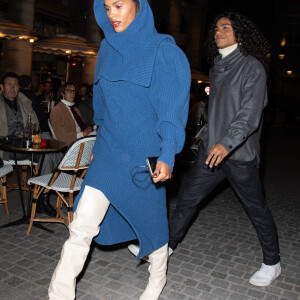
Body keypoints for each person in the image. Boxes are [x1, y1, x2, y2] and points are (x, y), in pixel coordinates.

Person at [48, 1, 190, 299]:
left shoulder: (162, 51)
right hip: (109, 151)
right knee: (81, 224)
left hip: (143, 157)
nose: (111, 14)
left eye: (118, 5)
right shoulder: (107, 49)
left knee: (151, 223)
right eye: (107, 7)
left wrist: (167, 154)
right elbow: (100, 106)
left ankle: (157, 279)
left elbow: (171, 111)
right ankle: (58, 294)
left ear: (139, 5)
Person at [167, 11, 281, 287]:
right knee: (187, 199)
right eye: (216, 28)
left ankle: (272, 262)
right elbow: (218, 112)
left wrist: (227, 141)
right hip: (212, 152)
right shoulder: (218, 65)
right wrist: (208, 139)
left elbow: (250, 113)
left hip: (239, 155)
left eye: (225, 27)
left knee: (256, 209)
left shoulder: (252, 67)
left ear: (239, 34)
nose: (217, 32)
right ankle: (165, 246)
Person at [0, 72, 58, 216]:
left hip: (25, 145)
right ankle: (44, 192)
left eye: (16, 85)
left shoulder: (24, 101)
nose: (13, 88)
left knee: (49, 155)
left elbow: (36, 125)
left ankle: (40, 198)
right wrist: (11, 135)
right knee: (49, 156)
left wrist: (28, 132)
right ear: (1, 87)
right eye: (9, 84)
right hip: (5, 148)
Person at [50, 82, 96, 146]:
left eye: (74, 91)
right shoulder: (57, 110)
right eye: (69, 91)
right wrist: (82, 134)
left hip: (80, 140)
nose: (72, 93)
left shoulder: (75, 109)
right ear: (62, 94)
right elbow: (60, 135)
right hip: (70, 144)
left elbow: (82, 126)